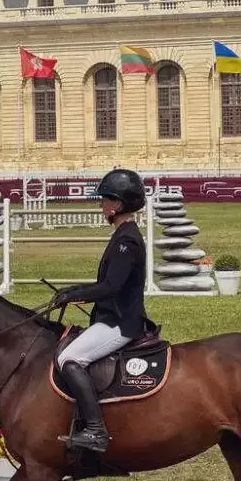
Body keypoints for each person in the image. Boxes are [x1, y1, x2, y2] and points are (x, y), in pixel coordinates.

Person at [51, 168, 149, 454]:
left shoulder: (127, 240)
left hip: (121, 323)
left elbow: (111, 287)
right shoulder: (122, 234)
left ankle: (95, 431)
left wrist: (77, 295)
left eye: (104, 199)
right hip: (111, 317)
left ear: (117, 205)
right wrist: (72, 290)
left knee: (70, 358)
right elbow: (104, 284)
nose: (100, 204)